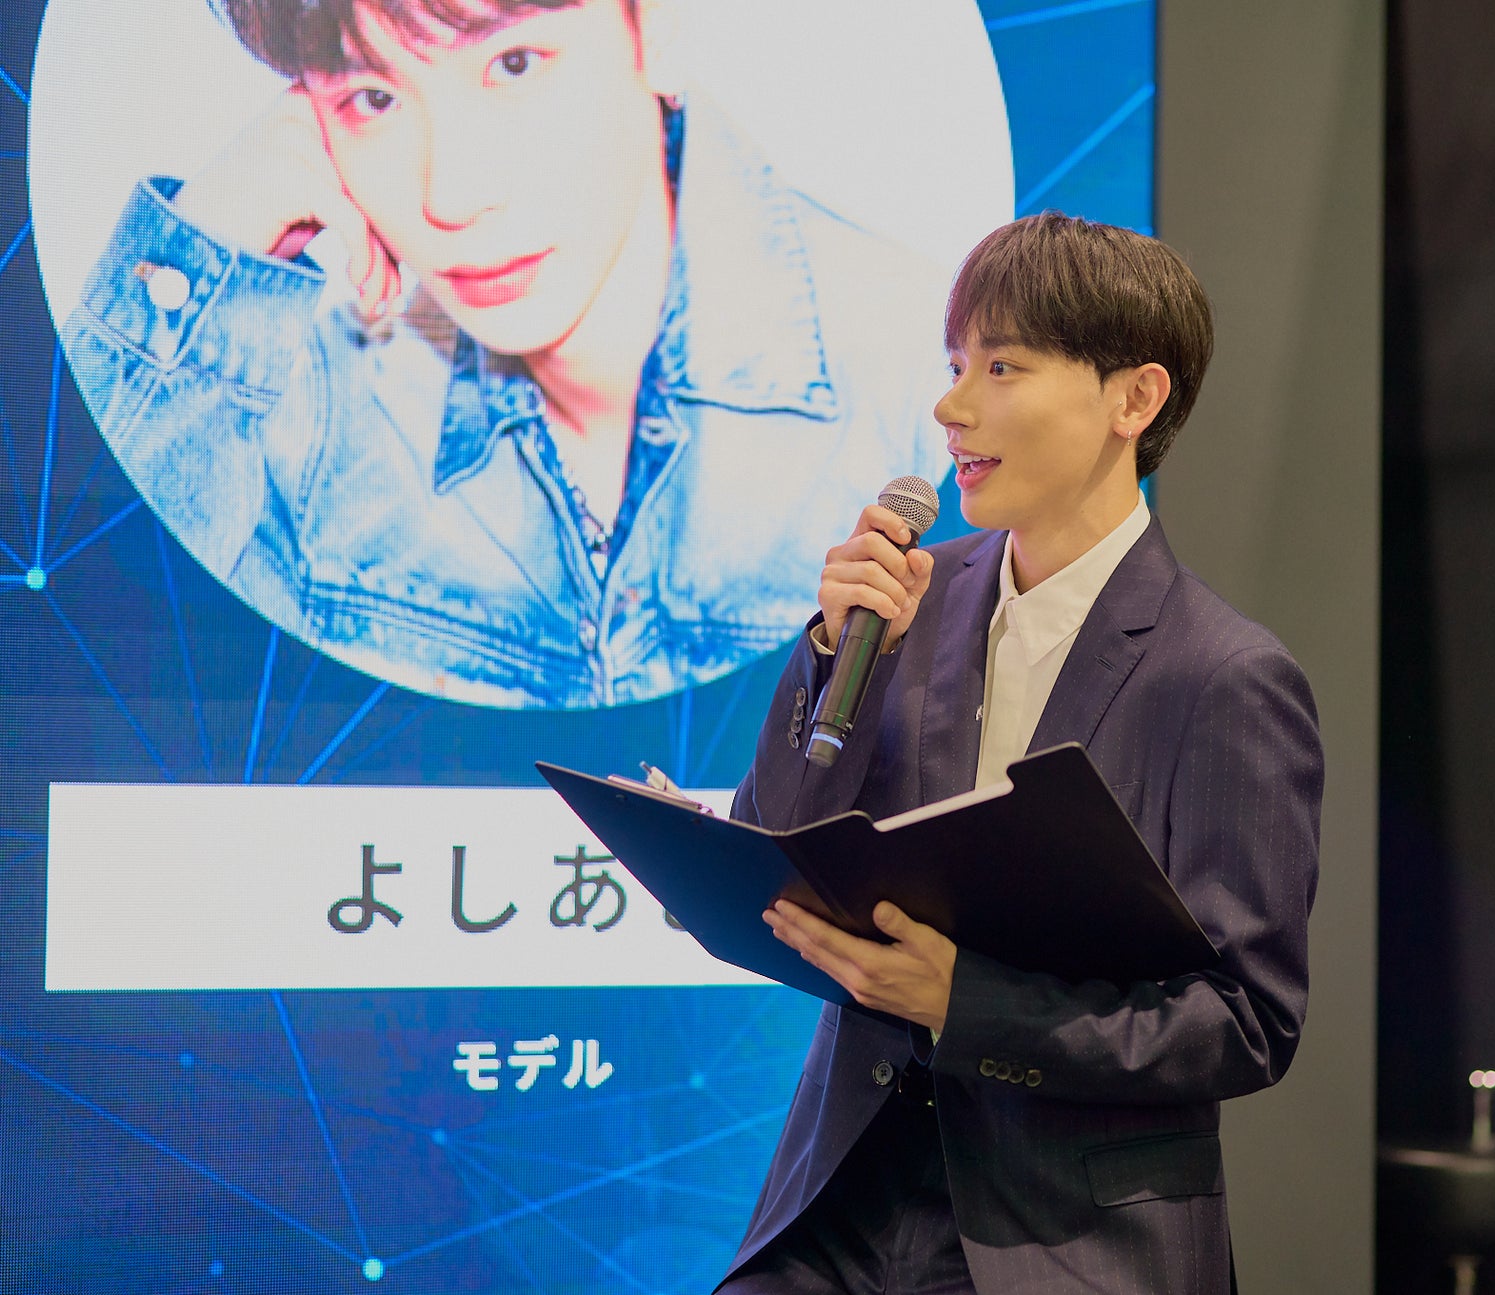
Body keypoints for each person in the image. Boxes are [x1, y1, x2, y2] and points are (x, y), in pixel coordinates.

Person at [719, 214, 1324, 1294]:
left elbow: (1245, 1022)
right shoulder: (907, 598)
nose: (952, 407)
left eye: (1001, 367)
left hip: (1064, 1237)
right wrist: (831, 651)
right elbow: (772, 842)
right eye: (955, 365)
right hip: (841, 1204)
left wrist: (967, 1003)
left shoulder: (1223, 675)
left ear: (1133, 400)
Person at [60, 0, 945, 709]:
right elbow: (84, 673)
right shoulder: (292, 424)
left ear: (657, 23)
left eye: (515, 64)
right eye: (373, 99)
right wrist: (201, 255)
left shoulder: (922, 390)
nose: (451, 193)